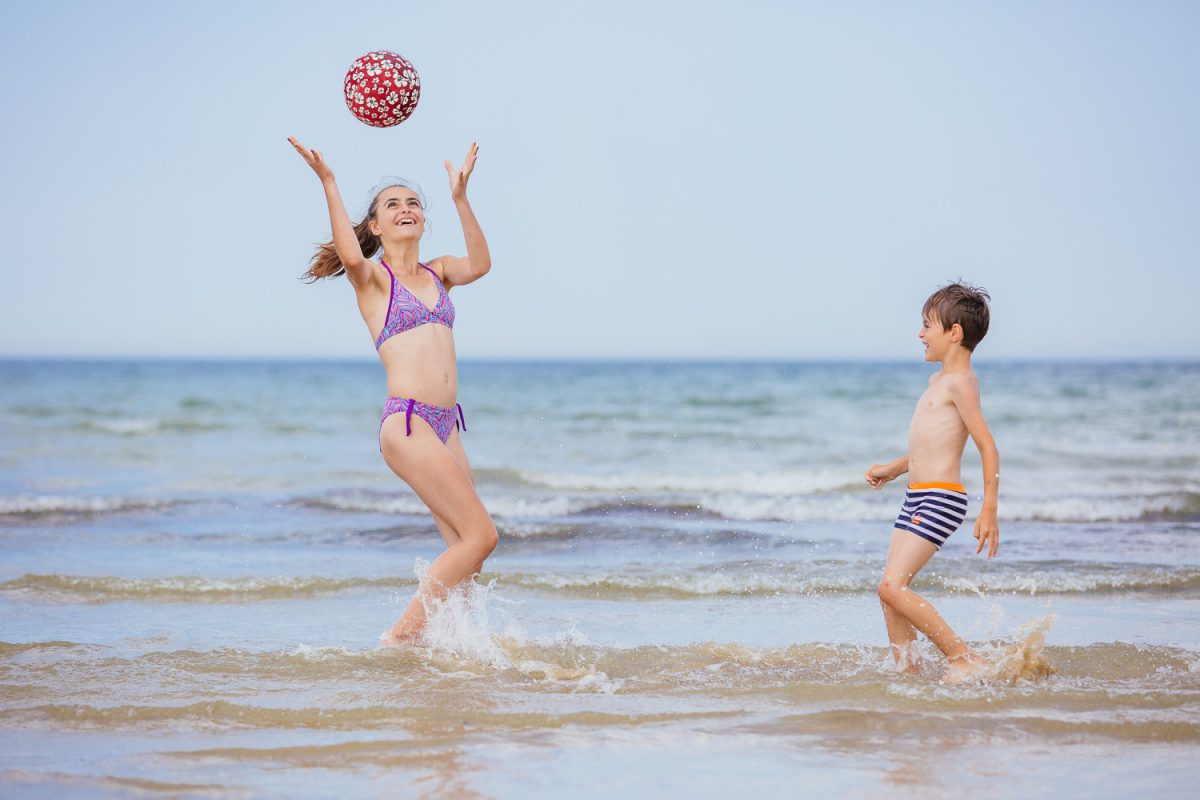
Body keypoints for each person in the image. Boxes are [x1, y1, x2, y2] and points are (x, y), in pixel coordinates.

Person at [288, 136, 498, 645]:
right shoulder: (374, 282)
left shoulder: (440, 272)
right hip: (407, 424)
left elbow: (482, 263)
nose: (406, 209)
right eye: (392, 205)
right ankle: (400, 639)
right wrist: (329, 182)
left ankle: (458, 649)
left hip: (447, 425)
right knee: (482, 536)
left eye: (413, 203)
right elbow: (347, 253)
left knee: (464, 554)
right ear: (376, 226)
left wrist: (461, 197)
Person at [864, 282, 1000, 683]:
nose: (920, 334)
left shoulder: (962, 384)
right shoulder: (937, 383)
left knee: (892, 586)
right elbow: (931, 446)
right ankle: (910, 674)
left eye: (927, 326)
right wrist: (895, 468)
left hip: (941, 499)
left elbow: (987, 447)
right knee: (889, 593)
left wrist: (989, 507)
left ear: (954, 333)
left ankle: (962, 657)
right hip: (916, 496)